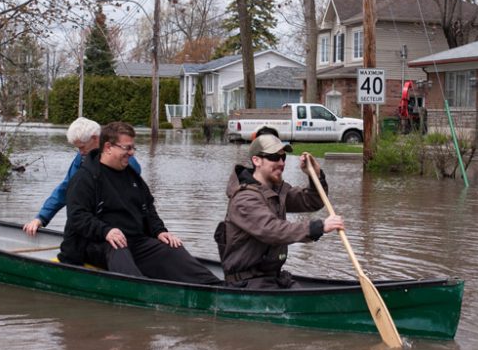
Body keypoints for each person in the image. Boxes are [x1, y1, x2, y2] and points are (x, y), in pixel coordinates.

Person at [60, 121, 222, 285]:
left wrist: (159, 231)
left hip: (134, 241)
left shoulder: (133, 177)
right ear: (108, 147)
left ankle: (216, 286)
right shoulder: (84, 178)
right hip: (95, 244)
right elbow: (77, 217)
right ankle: (140, 288)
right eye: (127, 148)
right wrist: (106, 231)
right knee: (117, 246)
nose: (131, 153)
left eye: (133, 148)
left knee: (171, 248)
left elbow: (148, 209)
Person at [218, 134, 344, 289]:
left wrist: (315, 175)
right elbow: (272, 230)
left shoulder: (276, 191)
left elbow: (312, 201)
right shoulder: (244, 199)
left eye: (283, 157)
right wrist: (318, 227)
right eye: (274, 157)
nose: (281, 163)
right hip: (247, 283)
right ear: (256, 160)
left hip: (272, 278)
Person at [23, 117, 141, 237]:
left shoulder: (126, 160)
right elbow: (66, 188)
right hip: (91, 226)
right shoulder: (82, 159)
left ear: (96, 138)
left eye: (82, 147)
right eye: (77, 148)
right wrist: (41, 218)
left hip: (119, 227)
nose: (80, 152)